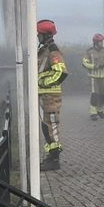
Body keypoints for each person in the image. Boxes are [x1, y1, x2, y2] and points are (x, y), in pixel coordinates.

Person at [36, 19, 67, 171]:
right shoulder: (44, 51)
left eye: (39, 34)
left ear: (45, 35)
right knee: (45, 126)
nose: (37, 37)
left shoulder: (53, 51)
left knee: (51, 126)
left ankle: (55, 159)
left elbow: (61, 72)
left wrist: (43, 83)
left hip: (51, 97)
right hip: (44, 96)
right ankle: (51, 156)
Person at [82, 33, 104, 121]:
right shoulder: (89, 51)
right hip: (93, 77)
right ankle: (93, 113)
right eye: (100, 41)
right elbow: (84, 62)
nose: (102, 43)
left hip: (103, 77)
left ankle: (100, 110)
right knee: (94, 94)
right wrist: (94, 66)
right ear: (95, 42)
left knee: (103, 94)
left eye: (102, 41)